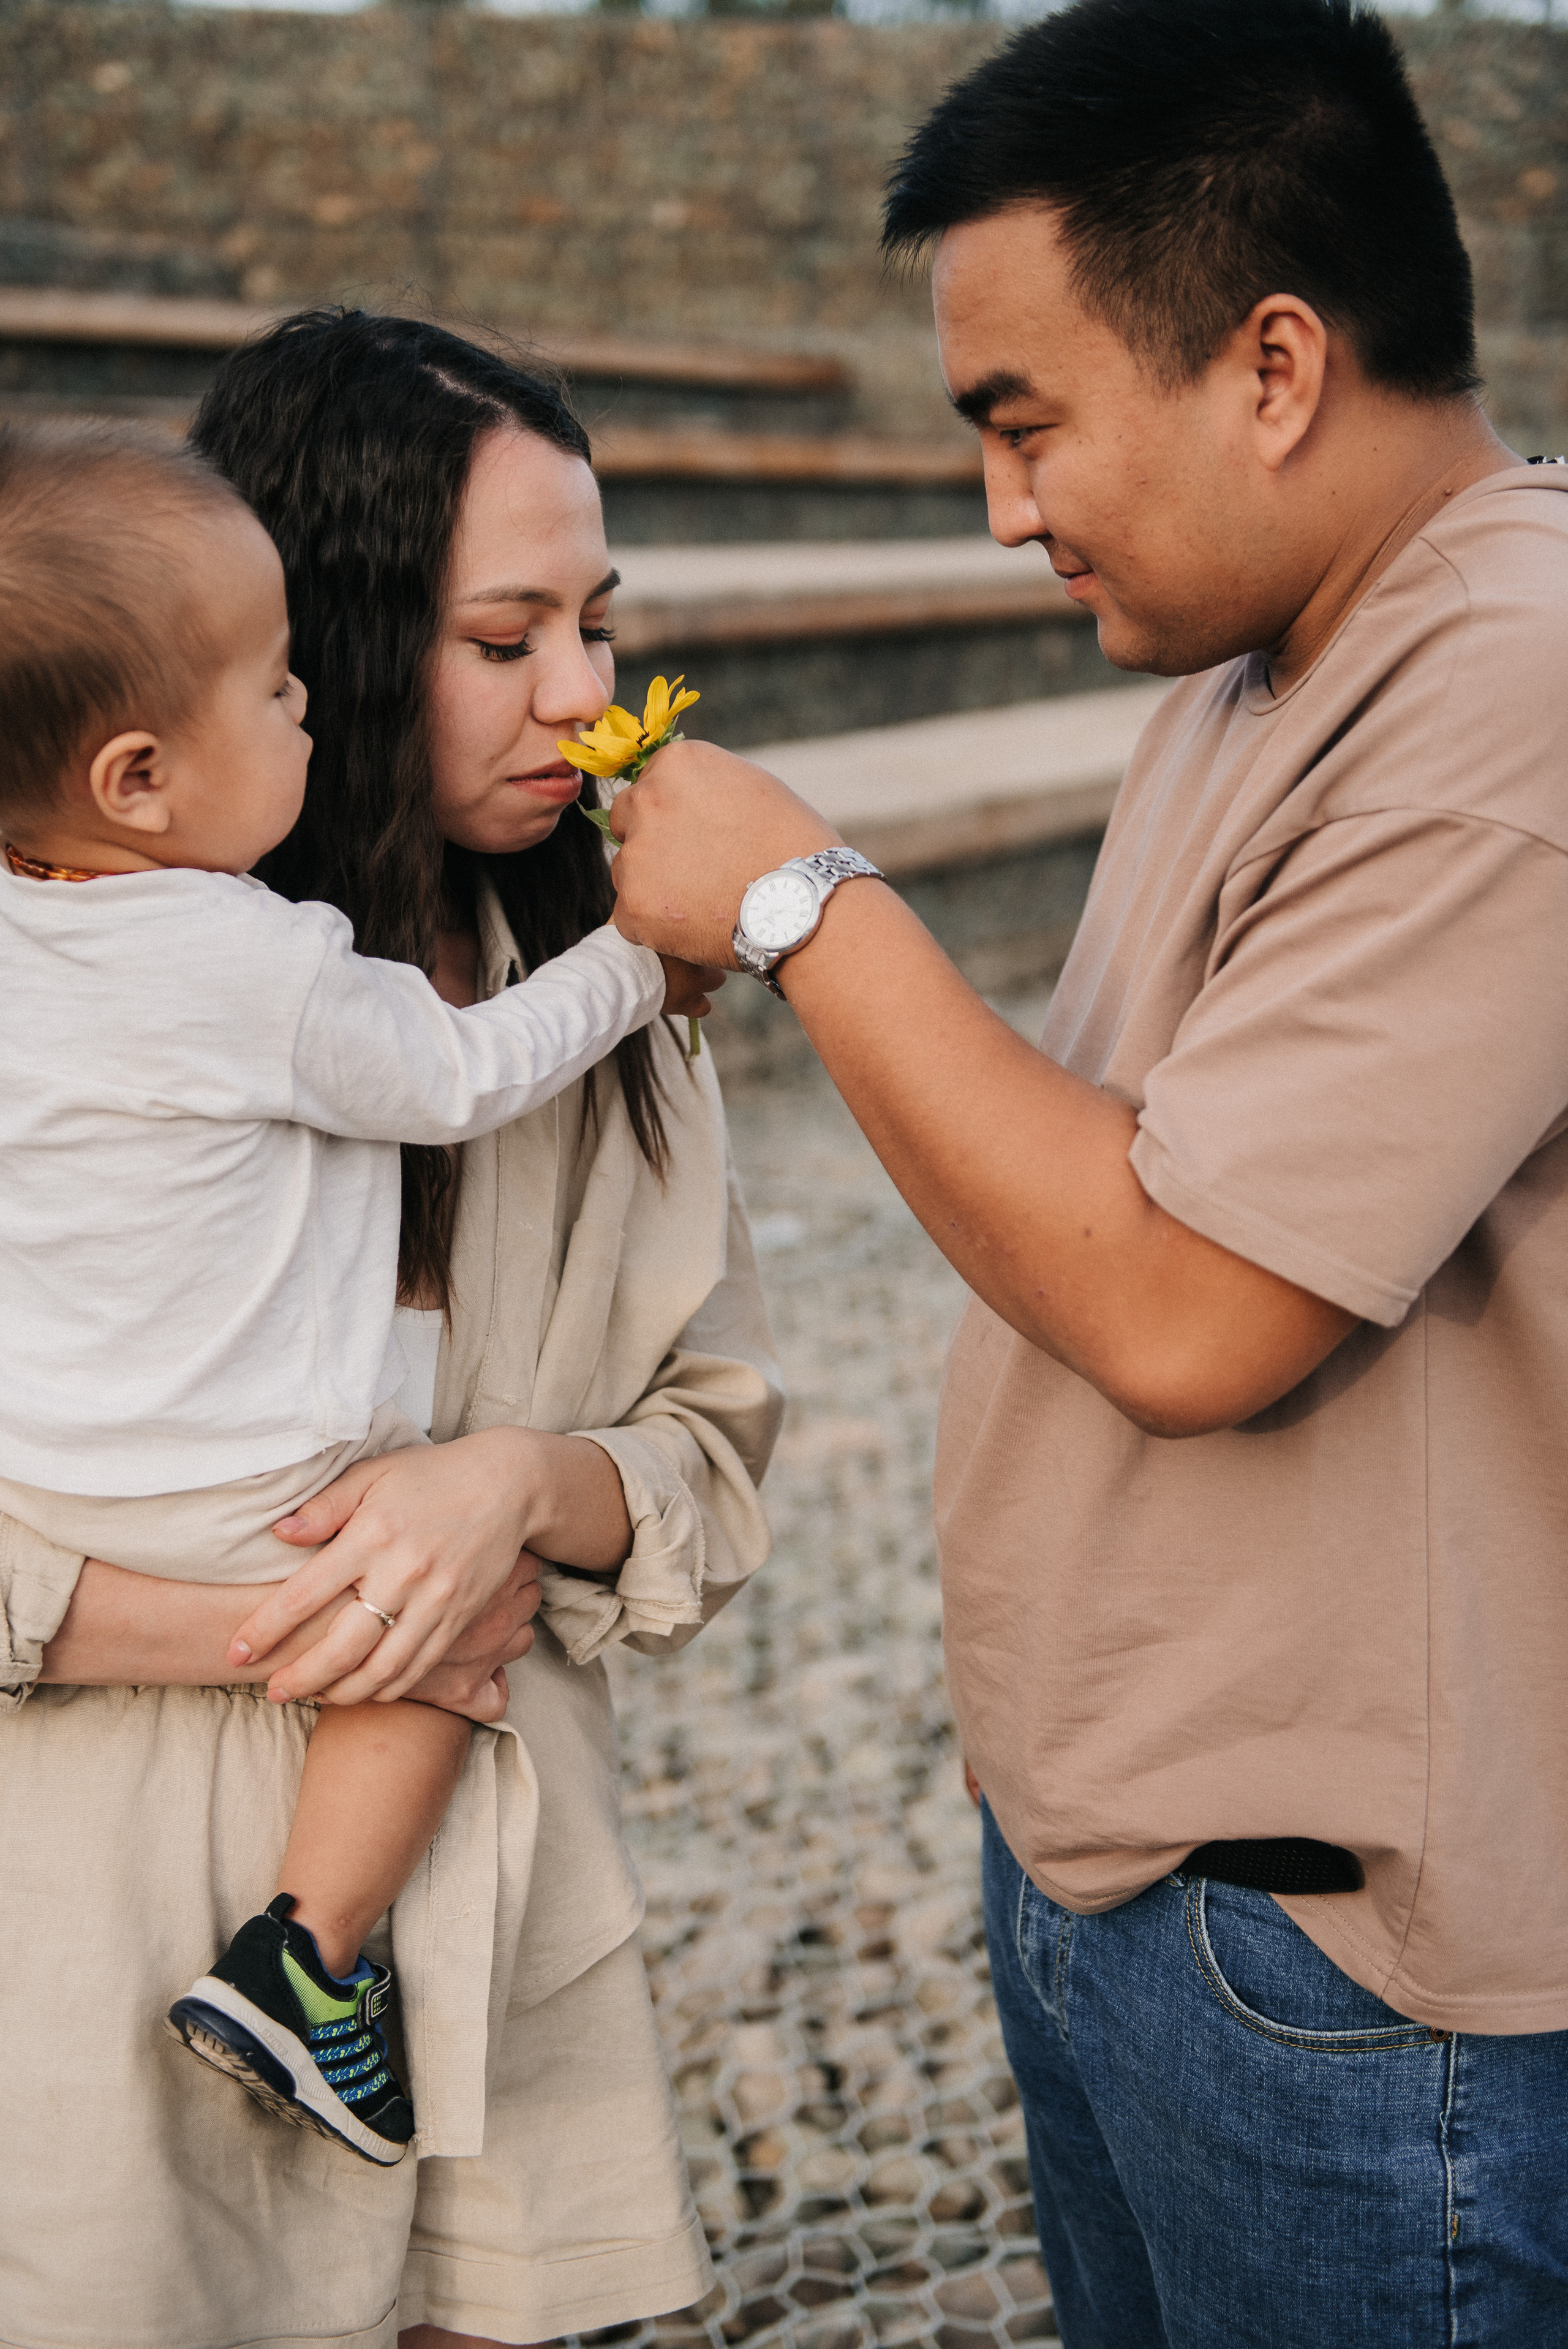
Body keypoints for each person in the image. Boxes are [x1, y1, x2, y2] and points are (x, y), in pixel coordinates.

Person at [603, 2, 1568, 2341]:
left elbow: (1183, 1307)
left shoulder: (1516, 682)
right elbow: (1095, 1167)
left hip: (1354, 1982)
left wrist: (810, 905)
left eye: (1027, 424)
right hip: (1146, 1882)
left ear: (1269, 364)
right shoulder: (1250, 673)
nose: (1003, 511)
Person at [0, 313, 782, 2348]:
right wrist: (252, 1620)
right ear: (325, 647)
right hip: (83, 1911)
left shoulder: (606, 1020)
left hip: (491, 1925)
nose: (588, 697)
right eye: (505, 638)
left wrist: (513, 1487)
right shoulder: (67, 1016)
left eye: (601, 628)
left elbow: (713, 1447)